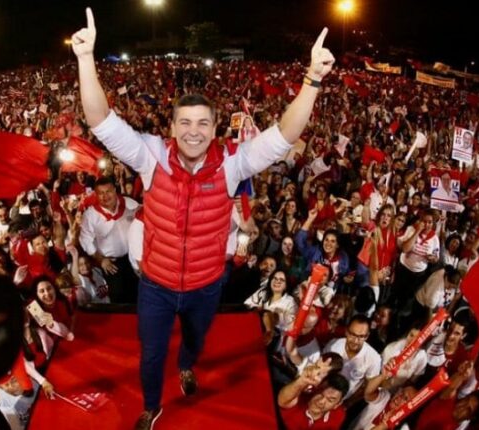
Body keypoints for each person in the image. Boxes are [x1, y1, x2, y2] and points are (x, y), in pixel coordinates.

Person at [72, 7, 335, 429]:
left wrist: (313, 80)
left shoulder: (233, 162)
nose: (193, 131)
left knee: (193, 341)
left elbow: (285, 134)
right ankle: (152, 405)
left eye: (203, 123)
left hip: (206, 286)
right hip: (156, 286)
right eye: (185, 123)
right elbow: (101, 120)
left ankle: (188, 364)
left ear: (215, 129)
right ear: (172, 128)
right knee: (152, 352)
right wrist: (86, 60)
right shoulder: (150, 156)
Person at [79, 176, 140, 303]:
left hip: (133, 258)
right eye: (101, 193)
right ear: (96, 194)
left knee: (139, 293)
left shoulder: (128, 204)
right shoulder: (90, 215)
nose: (105, 196)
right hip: (112, 264)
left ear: (115, 190)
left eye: (108, 191)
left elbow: (144, 218)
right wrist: (101, 260)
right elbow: (85, 240)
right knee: (118, 298)